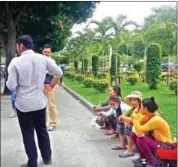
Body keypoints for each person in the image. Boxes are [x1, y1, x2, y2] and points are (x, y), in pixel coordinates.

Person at [6, 35, 63, 167]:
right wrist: (50, 86)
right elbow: (59, 72)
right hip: (39, 103)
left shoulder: (15, 62)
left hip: (23, 105)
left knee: (28, 134)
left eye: (17, 45)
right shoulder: (42, 58)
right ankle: (47, 158)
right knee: (42, 131)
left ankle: (32, 163)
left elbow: (11, 86)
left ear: (21, 46)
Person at [131, 97, 173, 167]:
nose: (139, 108)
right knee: (134, 135)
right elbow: (136, 127)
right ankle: (143, 158)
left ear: (146, 109)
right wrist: (135, 117)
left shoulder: (156, 119)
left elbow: (139, 128)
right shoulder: (147, 116)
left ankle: (152, 162)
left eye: (140, 106)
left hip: (166, 145)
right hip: (157, 141)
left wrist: (134, 118)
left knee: (140, 139)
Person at [114, 91, 143, 158]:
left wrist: (125, 119)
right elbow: (121, 116)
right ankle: (122, 144)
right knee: (121, 122)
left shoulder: (141, 108)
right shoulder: (133, 108)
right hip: (137, 126)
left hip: (143, 129)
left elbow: (134, 120)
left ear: (139, 101)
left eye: (134, 100)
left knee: (128, 125)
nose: (132, 102)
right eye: (131, 100)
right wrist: (124, 119)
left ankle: (129, 150)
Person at [42, 44, 58, 131]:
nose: (47, 53)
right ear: (42, 52)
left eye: (48, 52)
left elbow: (57, 73)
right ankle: (43, 123)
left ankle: (53, 123)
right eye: (45, 52)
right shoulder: (39, 60)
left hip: (49, 85)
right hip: (40, 85)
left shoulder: (52, 61)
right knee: (41, 105)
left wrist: (49, 73)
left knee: (51, 105)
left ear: (50, 53)